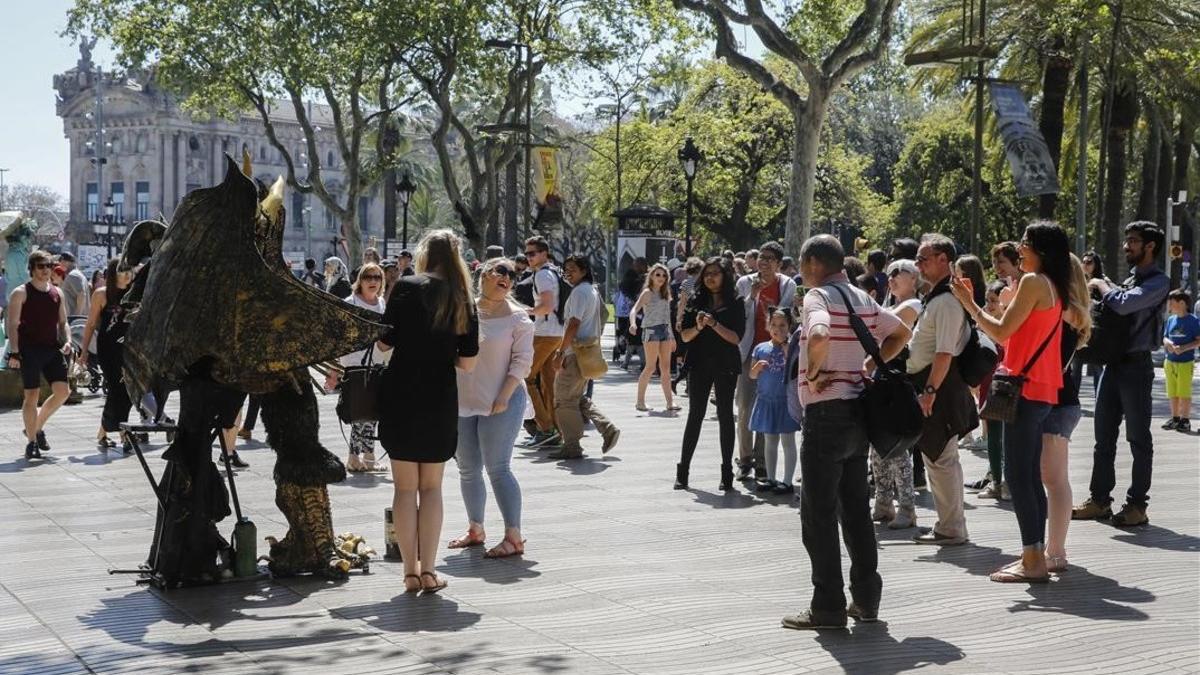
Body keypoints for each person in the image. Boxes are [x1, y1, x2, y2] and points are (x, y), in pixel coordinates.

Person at [783, 234, 910, 630]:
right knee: (854, 511)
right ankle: (867, 600)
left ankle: (827, 606)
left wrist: (817, 370)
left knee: (818, 514)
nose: (802, 275)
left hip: (825, 416)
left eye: (804, 266)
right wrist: (869, 367)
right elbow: (903, 329)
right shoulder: (861, 297)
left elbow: (818, 335)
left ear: (814, 264)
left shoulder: (817, 298)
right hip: (858, 414)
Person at [951, 221, 1071, 582]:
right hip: (1041, 389)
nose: (1020, 248)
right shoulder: (1053, 284)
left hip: (1026, 387)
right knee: (1029, 477)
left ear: (1042, 250)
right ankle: (1036, 554)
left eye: (1025, 242)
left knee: (1020, 477)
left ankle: (1033, 560)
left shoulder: (1034, 282)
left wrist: (969, 304)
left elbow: (1001, 331)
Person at [376, 229, 479, 594]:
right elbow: (467, 364)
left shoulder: (405, 287)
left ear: (424, 254)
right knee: (432, 488)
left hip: (401, 394)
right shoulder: (462, 297)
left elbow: (384, 343)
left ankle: (409, 573)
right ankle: (430, 570)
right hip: (439, 397)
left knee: (404, 489)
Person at [1073, 221, 1170, 527]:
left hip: (1137, 368)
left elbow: (1126, 305)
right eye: (1127, 240)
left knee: (1138, 438)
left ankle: (1137, 506)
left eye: (1133, 241)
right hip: (1113, 366)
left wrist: (1101, 284)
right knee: (1103, 437)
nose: (1126, 246)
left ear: (1150, 247)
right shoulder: (1129, 280)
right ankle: (1100, 500)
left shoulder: (1159, 283)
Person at [449, 257, 533, 558]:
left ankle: (514, 536)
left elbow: (522, 362)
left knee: (498, 468)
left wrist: (504, 396)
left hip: (502, 400)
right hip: (462, 400)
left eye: (513, 274)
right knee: (468, 469)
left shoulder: (519, 318)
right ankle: (476, 529)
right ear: (483, 274)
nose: (508, 278)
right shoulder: (463, 309)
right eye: (501, 271)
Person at [906, 233, 976, 546]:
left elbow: (945, 352)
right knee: (937, 457)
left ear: (943, 261)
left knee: (942, 457)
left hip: (941, 388)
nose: (918, 263)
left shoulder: (947, 300)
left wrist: (930, 390)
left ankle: (952, 527)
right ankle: (949, 523)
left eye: (924, 258)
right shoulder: (938, 295)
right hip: (934, 385)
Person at [1039, 254, 1092, 574]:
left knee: (1054, 479)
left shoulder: (1067, 313)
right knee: (1050, 478)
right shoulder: (1066, 310)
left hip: (1058, 404)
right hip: (1054, 402)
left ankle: (1056, 552)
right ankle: (1050, 550)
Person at [675, 257, 745, 491]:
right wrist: (698, 326)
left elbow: (736, 338)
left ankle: (727, 474)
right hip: (699, 362)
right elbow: (684, 336)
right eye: (706, 274)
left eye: (715, 273)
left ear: (725, 276)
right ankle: (683, 471)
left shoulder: (735, 302)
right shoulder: (696, 301)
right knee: (695, 414)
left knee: (725, 415)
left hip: (725, 364)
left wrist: (715, 324)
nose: (710, 277)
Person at [734, 241, 796, 480]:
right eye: (761, 256)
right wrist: (753, 295)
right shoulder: (744, 282)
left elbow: (785, 316)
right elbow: (741, 314)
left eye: (770, 258)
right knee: (745, 406)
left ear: (779, 264)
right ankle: (745, 459)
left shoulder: (787, 284)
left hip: (775, 352)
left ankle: (762, 462)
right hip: (749, 350)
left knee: (766, 404)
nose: (764, 261)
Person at [549, 254, 620, 459]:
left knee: (563, 399)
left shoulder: (580, 292)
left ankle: (572, 446)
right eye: (566, 269)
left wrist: (560, 352)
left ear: (584, 270)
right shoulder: (592, 291)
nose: (567, 272)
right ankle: (607, 429)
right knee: (574, 397)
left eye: (572, 268)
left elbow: (573, 323)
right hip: (586, 353)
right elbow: (603, 316)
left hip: (574, 353)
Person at [5, 251, 73, 460]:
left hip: (52, 349)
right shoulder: (21, 292)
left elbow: (63, 323)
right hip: (29, 350)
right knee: (31, 397)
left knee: (63, 392)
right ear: (32, 269)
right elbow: (12, 325)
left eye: (49, 266)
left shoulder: (57, 293)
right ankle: (32, 442)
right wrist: (14, 353)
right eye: (41, 266)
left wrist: (68, 340)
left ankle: (36, 427)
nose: (46, 270)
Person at [871, 259, 921, 530]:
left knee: (898, 448)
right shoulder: (888, 307)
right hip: (880, 380)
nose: (891, 278)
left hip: (900, 382)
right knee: (876, 447)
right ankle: (883, 503)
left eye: (897, 273)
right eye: (888, 273)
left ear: (913, 278)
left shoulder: (914, 305)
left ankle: (907, 508)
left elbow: (888, 325)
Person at [326, 261, 387, 472]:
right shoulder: (350, 303)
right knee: (361, 411)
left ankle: (362, 455)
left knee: (371, 412)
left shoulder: (382, 304)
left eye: (377, 277)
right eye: (368, 277)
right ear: (359, 281)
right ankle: (359, 456)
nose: (373, 281)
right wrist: (333, 371)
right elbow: (338, 339)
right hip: (354, 364)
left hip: (378, 364)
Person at [78, 259, 135, 452]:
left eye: (129, 271)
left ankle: (104, 431)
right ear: (113, 273)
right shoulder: (101, 294)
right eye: (122, 271)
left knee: (126, 392)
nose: (127, 275)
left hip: (129, 349)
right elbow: (91, 324)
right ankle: (123, 433)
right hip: (108, 349)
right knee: (117, 389)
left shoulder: (135, 295)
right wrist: (84, 351)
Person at [749, 308, 800, 494]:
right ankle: (770, 478)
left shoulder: (795, 348)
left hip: (786, 401)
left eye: (782, 325)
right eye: (774, 325)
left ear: (789, 327)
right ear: (768, 327)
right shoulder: (760, 348)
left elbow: (797, 372)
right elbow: (751, 375)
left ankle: (787, 481)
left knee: (788, 440)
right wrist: (756, 368)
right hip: (766, 400)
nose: (778, 329)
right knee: (770, 440)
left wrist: (788, 352)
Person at [522, 236, 566, 448]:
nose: (528, 257)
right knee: (548, 382)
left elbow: (547, 306)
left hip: (545, 332)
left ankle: (545, 427)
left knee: (525, 376)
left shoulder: (542, 275)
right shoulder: (554, 272)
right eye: (527, 254)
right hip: (557, 332)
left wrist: (526, 311)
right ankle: (554, 430)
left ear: (544, 254)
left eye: (532, 253)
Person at [630, 262, 678, 412]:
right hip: (650, 330)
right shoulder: (647, 292)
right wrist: (633, 324)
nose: (661, 277)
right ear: (651, 276)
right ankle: (640, 402)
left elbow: (667, 317)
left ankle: (670, 402)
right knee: (650, 366)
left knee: (665, 368)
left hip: (664, 330)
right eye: (657, 274)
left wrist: (672, 336)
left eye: (664, 275)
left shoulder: (666, 293)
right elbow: (634, 309)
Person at [1161, 289, 1200, 432]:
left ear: (1182, 303)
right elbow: (1165, 337)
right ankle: (1175, 418)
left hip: (1185, 362)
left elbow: (1198, 341)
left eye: (1172, 303)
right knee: (1172, 392)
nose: (1169, 307)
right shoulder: (1171, 319)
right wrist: (1168, 344)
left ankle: (1185, 419)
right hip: (1170, 361)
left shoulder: (1193, 321)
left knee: (1184, 392)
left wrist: (1183, 348)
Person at [56, 251, 91, 319]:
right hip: (80, 318)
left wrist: (77, 316)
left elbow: (81, 294)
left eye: (61, 261)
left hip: (75, 320)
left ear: (66, 262)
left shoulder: (73, 275)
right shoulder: (78, 274)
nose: (60, 264)